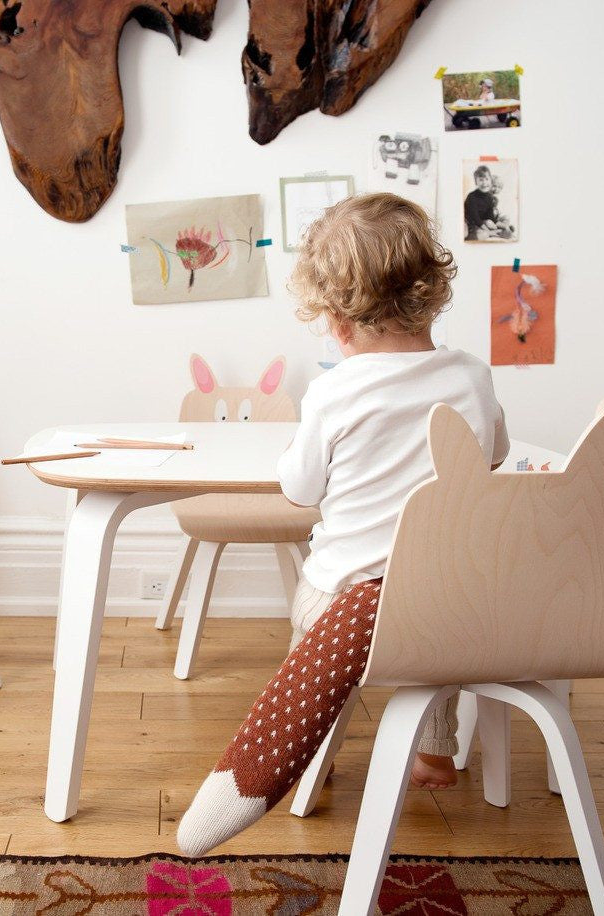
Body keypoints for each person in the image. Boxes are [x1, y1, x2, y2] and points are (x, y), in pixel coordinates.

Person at [177, 193, 509, 857]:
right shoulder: (472, 376)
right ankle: (437, 755)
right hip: (448, 602)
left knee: (320, 621)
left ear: (336, 321)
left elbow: (300, 490)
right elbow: (493, 455)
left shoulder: (334, 391)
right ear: (432, 294)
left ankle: (313, 746)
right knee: (431, 652)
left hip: (344, 598)